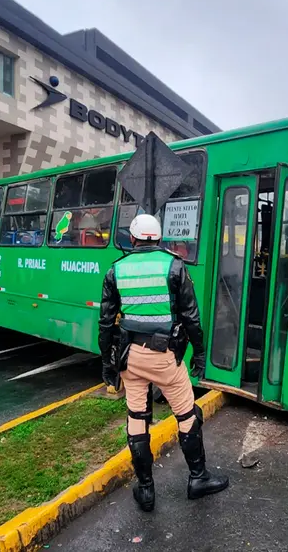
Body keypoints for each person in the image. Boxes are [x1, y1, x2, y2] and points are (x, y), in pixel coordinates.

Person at [98, 214, 228, 513]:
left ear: (132, 239)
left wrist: (107, 362)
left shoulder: (116, 270)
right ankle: (198, 478)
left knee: (137, 417)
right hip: (165, 357)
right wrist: (199, 353)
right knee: (187, 414)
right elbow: (191, 317)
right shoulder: (174, 266)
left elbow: (106, 323)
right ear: (158, 238)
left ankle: (146, 490)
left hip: (130, 357)